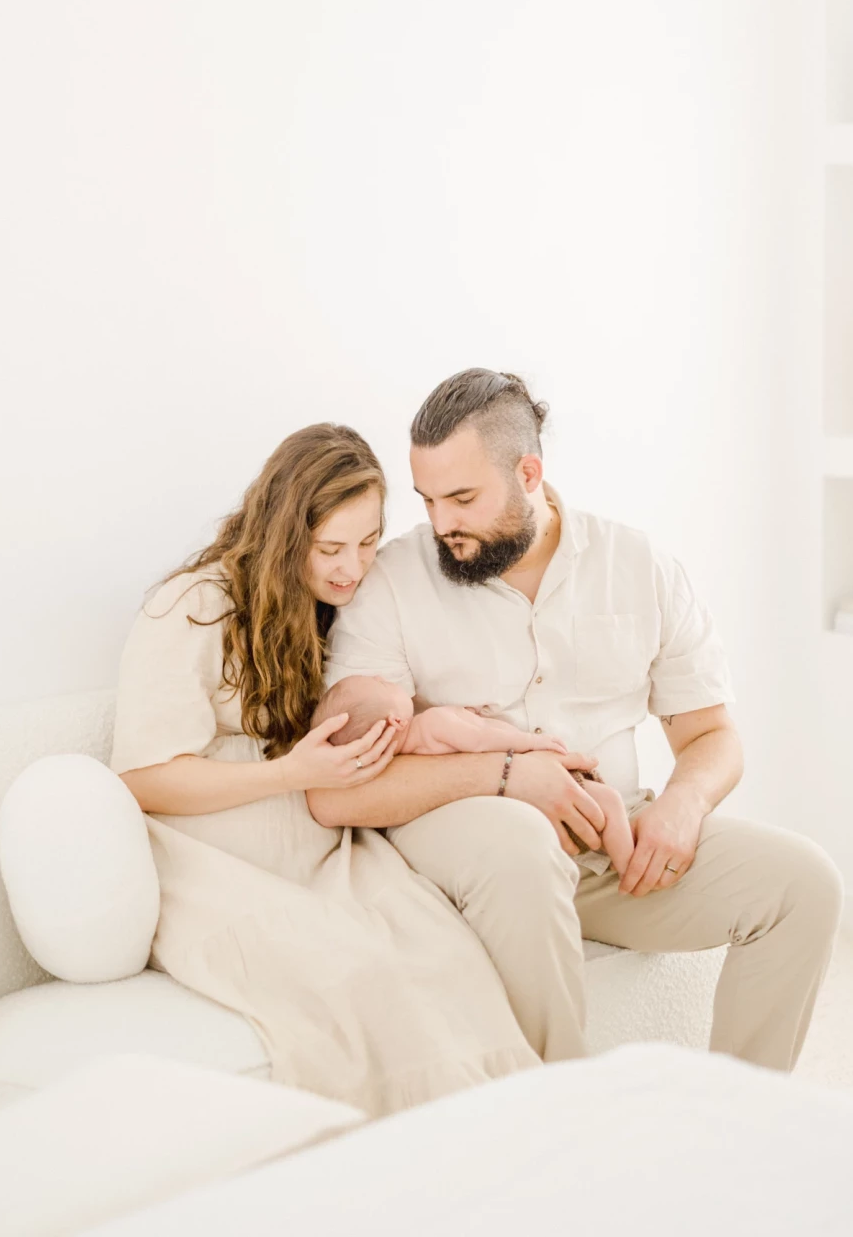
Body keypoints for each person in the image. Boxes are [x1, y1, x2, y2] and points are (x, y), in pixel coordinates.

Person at [309, 369, 845, 1073]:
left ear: (529, 473)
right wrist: (509, 775)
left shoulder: (638, 565)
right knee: (522, 843)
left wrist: (683, 805)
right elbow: (345, 780)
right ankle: (562, 1105)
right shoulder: (393, 580)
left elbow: (711, 735)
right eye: (428, 500)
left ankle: (738, 1112)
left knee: (804, 885)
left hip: (608, 841)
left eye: (462, 499)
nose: (440, 524)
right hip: (470, 847)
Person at [110, 422, 538, 1116]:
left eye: (368, 543)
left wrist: (430, 725)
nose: (353, 567)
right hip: (209, 863)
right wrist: (291, 774)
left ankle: (499, 1134)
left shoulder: (330, 609)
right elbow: (142, 778)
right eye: (330, 548)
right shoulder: (193, 607)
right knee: (354, 976)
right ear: (283, 535)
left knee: (445, 953)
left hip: (323, 855)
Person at [310, 673, 635, 874]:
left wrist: (466, 715)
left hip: (516, 801)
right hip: (536, 776)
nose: (385, 677)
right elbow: (482, 740)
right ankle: (630, 867)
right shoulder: (433, 723)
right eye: (382, 683)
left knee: (597, 821)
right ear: (395, 721)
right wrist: (532, 742)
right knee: (607, 801)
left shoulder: (412, 750)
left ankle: (623, 860)